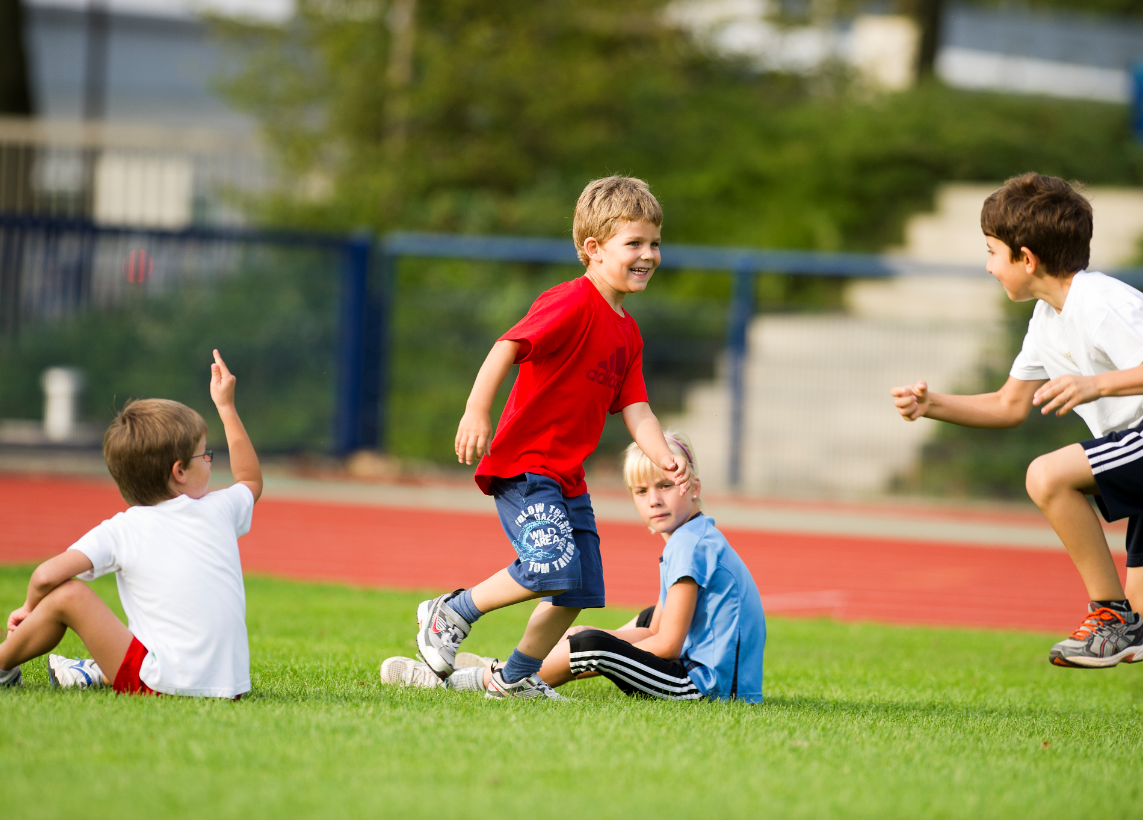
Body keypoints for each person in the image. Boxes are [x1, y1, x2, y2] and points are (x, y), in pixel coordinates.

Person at [381, 176, 692, 700]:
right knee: (549, 567)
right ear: (593, 250)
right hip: (526, 465)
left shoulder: (628, 331)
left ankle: (515, 678)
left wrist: (661, 453)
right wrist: (477, 410)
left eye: (654, 243)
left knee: (574, 589)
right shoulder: (571, 302)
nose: (648, 255)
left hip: (567, 477)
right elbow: (507, 346)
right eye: (634, 243)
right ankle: (449, 612)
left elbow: (635, 405)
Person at [891, 172, 1143, 669]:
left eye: (991, 252)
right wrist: (931, 405)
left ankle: (1109, 613)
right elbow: (1009, 405)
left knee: (1046, 475)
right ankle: (1125, 617)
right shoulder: (1047, 319)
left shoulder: (1100, 302)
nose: (987, 266)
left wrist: (1097, 384)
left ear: (1025, 258)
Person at [383, 432, 766, 702]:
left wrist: (596, 644)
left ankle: (493, 681)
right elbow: (656, 625)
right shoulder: (692, 537)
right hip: (701, 671)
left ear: (693, 487)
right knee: (610, 627)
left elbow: (668, 644)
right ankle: (513, 668)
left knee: (590, 646)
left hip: (705, 688)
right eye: (641, 491)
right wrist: (596, 632)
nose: (654, 500)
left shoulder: (690, 545)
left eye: (665, 485)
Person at [0, 350, 262, 696]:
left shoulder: (123, 528)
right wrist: (226, 407)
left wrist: (29, 609)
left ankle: (3, 664)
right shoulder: (220, 509)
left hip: (160, 684)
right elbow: (250, 480)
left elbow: (46, 576)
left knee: (70, 596)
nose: (210, 461)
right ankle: (91, 671)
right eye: (205, 454)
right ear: (179, 471)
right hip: (232, 687)